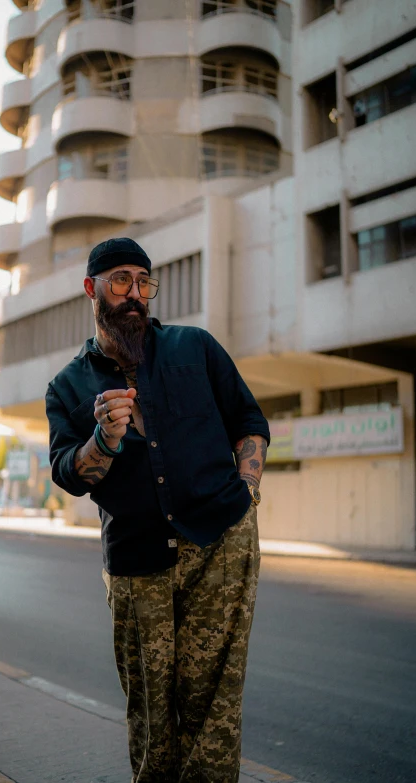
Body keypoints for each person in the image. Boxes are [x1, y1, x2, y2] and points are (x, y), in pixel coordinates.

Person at [46, 237, 270, 783]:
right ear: (91, 289)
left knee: (212, 704)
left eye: (144, 281)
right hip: (136, 559)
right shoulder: (68, 386)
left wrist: (247, 492)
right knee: (149, 705)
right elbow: (69, 474)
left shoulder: (195, 348)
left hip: (220, 540)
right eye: (120, 280)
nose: (135, 293)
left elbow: (249, 421)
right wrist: (104, 438)